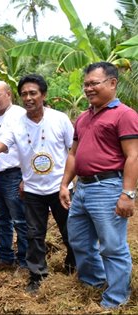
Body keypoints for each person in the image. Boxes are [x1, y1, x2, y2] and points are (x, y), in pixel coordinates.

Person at [0, 74, 76, 294]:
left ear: (43, 94)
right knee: (34, 234)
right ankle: (37, 275)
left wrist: (69, 182)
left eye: (33, 93)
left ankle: (74, 263)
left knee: (69, 231)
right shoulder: (17, 124)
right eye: (25, 94)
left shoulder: (59, 119)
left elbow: (73, 151)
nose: (28, 98)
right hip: (32, 189)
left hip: (60, 188)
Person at [59, 62, 138, 309]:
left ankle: (116, 298)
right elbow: (73, 154)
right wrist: (65, 184)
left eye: (94, 83)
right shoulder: (83, 117)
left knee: (112, 246)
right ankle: (94, 283)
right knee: (79, 241)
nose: (89, 88)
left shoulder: (125, 115)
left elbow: (133, 156)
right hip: (82, 188)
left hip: (108, 187)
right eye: (86, 84)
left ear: (112, 83)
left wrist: (128, 194)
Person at [0, 81, 28, 274]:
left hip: (14, 173)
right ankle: (5, 257)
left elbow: (1, 146)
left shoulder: (18, 115)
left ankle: (25, 261)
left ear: (9, 94)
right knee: (1, 219)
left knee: (20, 219)